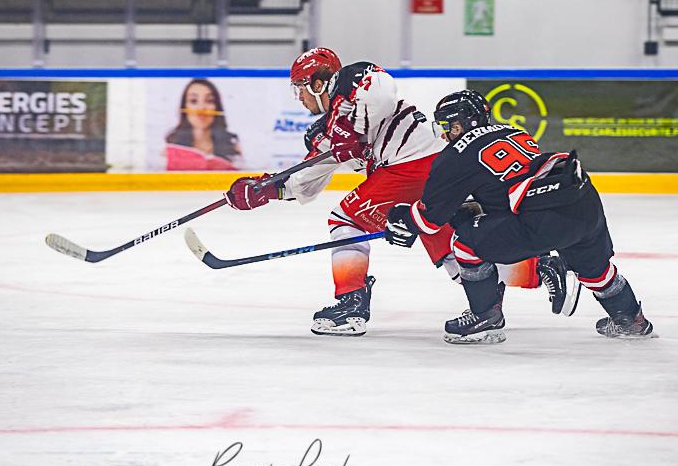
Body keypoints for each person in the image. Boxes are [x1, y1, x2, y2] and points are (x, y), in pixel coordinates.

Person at [223, 48, 573, 337]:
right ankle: (540, 268)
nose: (298, 97)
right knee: (450, 251)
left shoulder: (352, 81)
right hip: (424, 168)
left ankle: (351, 304)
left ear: (317, 82)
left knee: (347, 217)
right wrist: (266, 190)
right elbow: (309, 177)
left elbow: (382, 88)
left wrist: (351, 128)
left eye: (300, 87)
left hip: (414, 161)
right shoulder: (329, 130)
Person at [384, 89, 655, 344]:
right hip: (581, 196)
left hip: (544, 218)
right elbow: (511, 183)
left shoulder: (455, 154)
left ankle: (485, 318)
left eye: (447, 128)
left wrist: (402, 218)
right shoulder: (515, 131)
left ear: (460, 124)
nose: (444, 136)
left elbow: (429, 219)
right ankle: (631, 320)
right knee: (594, 269)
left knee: (465, 243)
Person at [165, 79, 243, 170]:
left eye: (209, 101)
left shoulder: (233, 146)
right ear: (184, 107)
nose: (201, 108)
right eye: (193, 101)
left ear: (217, 107)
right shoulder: (169, 147)